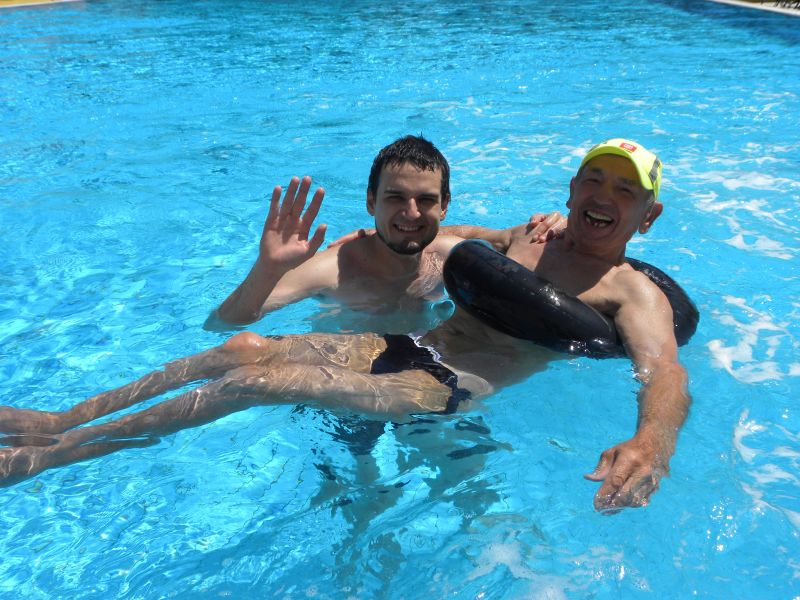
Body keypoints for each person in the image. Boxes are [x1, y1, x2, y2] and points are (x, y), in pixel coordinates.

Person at [0, 139, 689, 512]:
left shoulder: (631, 293)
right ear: (571, 190)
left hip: (450, 385)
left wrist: (651, 444)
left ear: (647, 216)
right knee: (242, 349)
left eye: (625, 190)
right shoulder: (527, 236)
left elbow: (666, 372)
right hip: (406, 344)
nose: (604, 195)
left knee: (259, 384)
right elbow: (449, 237)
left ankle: (48, 459)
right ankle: (60, 418)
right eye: (594, 180)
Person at [206, 134, 562, 332]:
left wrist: (556, 226)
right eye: (395, 198)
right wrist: (267, 268)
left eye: (426, 200)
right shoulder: (332, 270)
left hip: (423, 370)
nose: (411, 212)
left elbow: (515, 240)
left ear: (444, 206)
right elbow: (223, 323)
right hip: (343, 385)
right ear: (370, 202)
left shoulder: (448, 255)